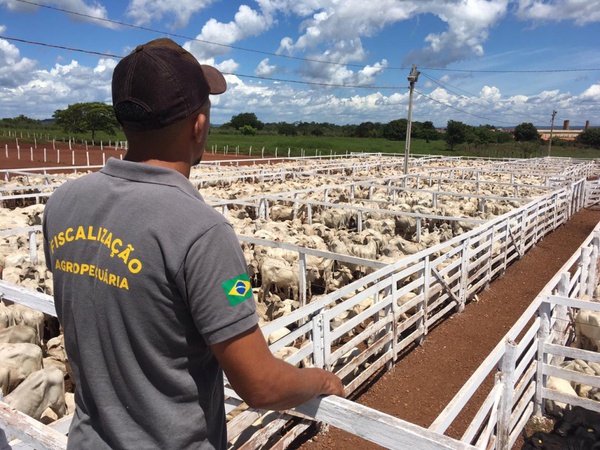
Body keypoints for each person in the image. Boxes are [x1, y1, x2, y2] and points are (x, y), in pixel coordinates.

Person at [42, 38, 344, 450]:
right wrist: (320, 379)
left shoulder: (63, 204)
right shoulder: (204, 233)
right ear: (199, 126)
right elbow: (259, 384)